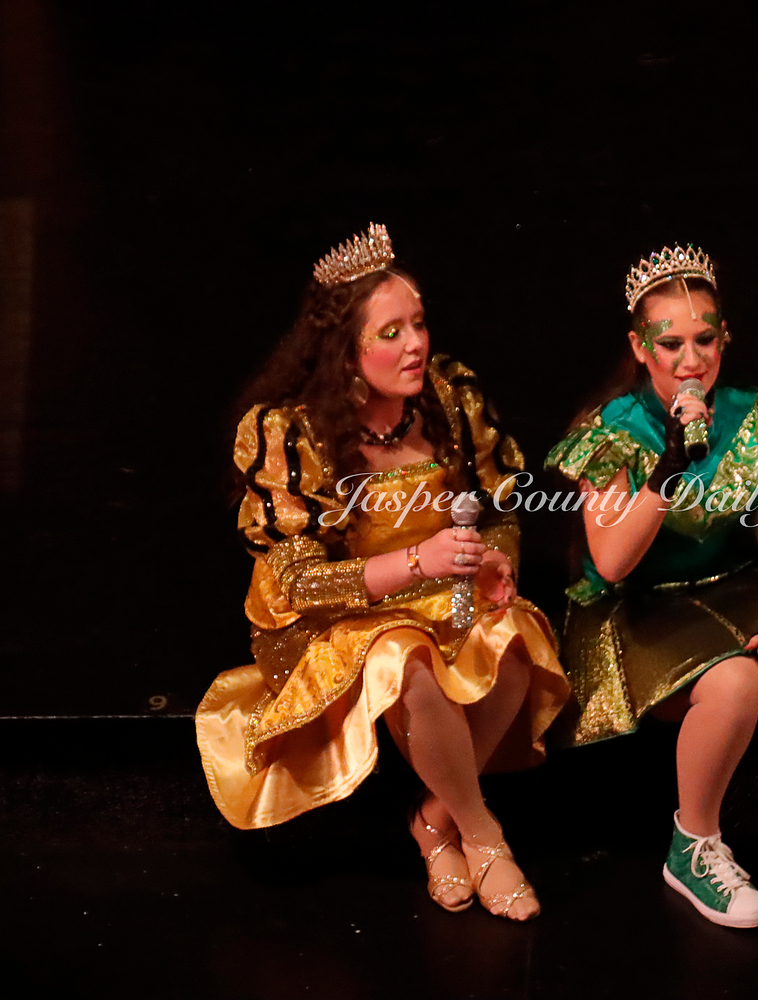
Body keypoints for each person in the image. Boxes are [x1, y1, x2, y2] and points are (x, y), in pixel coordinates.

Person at [195, 222, 569, 921]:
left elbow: (498, 511)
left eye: (418, 324)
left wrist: (492, 562)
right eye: (391, 333)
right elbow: (300, 584)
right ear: (345, 351)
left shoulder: (448, 399)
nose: (416, 344)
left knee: (517, 636)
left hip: (437, 597)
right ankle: (484, 836)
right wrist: (417, 561)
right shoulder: (292, 433)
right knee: (405, 655)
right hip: (334, 620)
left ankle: (435, 822)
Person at [544, 245, 758, 928]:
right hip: (638, 607)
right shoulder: (612, 431)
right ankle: (693, 844)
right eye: (671, 343)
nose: (691, 360)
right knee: (734, 681)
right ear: (640, 348)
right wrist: (665, 470)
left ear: (724, 338)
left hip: (729, 589)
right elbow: (613, 560)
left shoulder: (755, 417)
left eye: (705, 339)